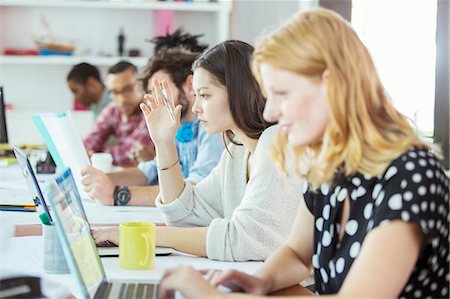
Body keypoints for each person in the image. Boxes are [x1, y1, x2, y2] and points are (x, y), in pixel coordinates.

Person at [155, 8, 450, 299]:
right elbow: (297, 254)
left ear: (330, 84)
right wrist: (261, 282)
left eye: (281, 93)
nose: (269, 111)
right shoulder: (329, 166)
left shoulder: (411, 175)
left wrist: (215, 296)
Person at [92, 40, 301, 262]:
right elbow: (184, 215)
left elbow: (242, 239)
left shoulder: (276, 142)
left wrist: (145, 234)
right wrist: (164, 144)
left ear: (238, 91)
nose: (195, 107)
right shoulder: (237, 152)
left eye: (205, 95)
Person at [81, 48, 223, 206]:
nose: (153, 101)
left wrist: (117, 194)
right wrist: (95, 181)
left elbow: (194, 189)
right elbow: (149, 171)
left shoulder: (212, 128)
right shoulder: (178, 126)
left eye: (160, 90)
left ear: (190, 85)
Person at [83, 61, 154, 167]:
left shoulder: (151, 108)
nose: (122, 99)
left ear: (141, 85)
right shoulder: (113, 110)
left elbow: (130, 153)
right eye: (115, 92)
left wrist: (96, 156)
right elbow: (87, 143)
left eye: (128, 89)